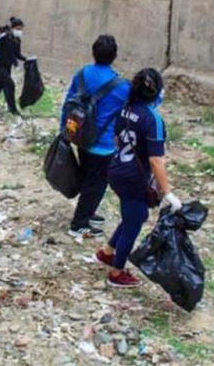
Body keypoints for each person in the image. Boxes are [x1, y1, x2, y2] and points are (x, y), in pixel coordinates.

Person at [96, 68, 182, 288]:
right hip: (134, 178)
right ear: (156, 92)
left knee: (135, 214)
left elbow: (116, 139)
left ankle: (108, 251)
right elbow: (156, 160)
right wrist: (168, 193)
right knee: (134, 222)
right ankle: (116, 272)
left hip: (116, 170)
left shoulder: (125, 110)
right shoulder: (152, 118)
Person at [60, 35, 131, 239]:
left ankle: (88, 211)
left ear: (93, 52)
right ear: (114, 56)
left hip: (81, 137)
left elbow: (69, 103)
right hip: (104, 144)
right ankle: (79, 223)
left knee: (87, 177)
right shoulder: (122, 86)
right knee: (96, 183)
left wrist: (64, 129)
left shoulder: (82, 74)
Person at [0, 17, 26, 114]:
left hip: (8, 66)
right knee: (10, 84)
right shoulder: (4, 37)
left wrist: (25, 59)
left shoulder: (17, 40)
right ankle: (13, 109)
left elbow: (17, 54)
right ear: (13, 28)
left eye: (21, 29)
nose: (20, 31)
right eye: (18, 29)